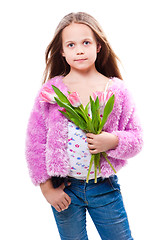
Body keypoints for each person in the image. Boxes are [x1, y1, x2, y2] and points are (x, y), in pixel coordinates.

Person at [26, 12, 143, 240]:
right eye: (71, 44)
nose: (79, 50)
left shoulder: (116, 90)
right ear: (62, 51)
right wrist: (47, 188)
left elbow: (136, 138)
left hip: (104, 187)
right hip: (65, 189)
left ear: (98, 46)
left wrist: (113, 140)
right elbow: (35, 141)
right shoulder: (53, 91)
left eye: (86, 42)